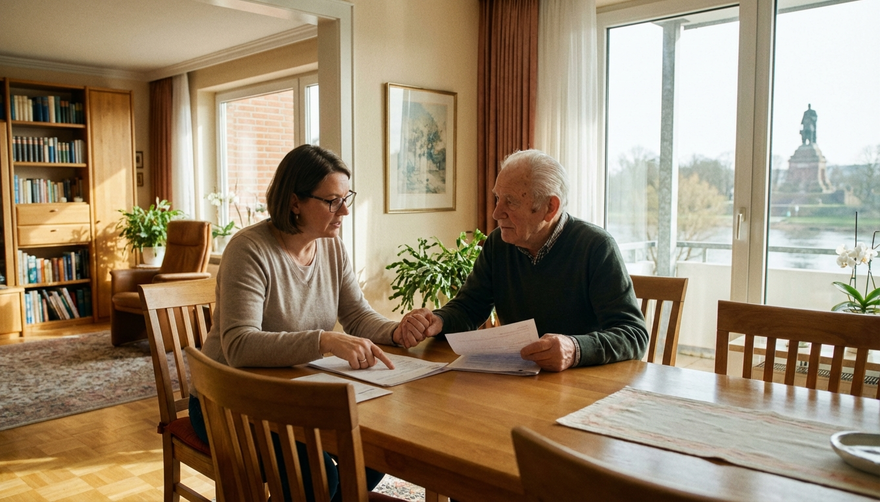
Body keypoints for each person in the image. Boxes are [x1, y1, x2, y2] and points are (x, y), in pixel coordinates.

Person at [190, 144, 403, 501]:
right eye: (332, 201)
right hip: (227, 401)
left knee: (369, 457)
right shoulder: (249, 249)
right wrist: (323, 341)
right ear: (294, 203)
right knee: (316, 477)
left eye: (346, 197)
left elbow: (356, 315)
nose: (345, 211)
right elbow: (239, 345)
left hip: (295, 391)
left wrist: (397, 330)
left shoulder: (331, 246)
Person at [396, 149, 648, 371]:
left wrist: (574, 348)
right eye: (497, 198)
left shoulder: (596, 246)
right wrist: (437, 321)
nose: (496, 213)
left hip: (581, 387)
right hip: (519, 381)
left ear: (550, 207)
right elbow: (468, 308)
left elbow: (633, 335)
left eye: (511, 202)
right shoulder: (498, 244)